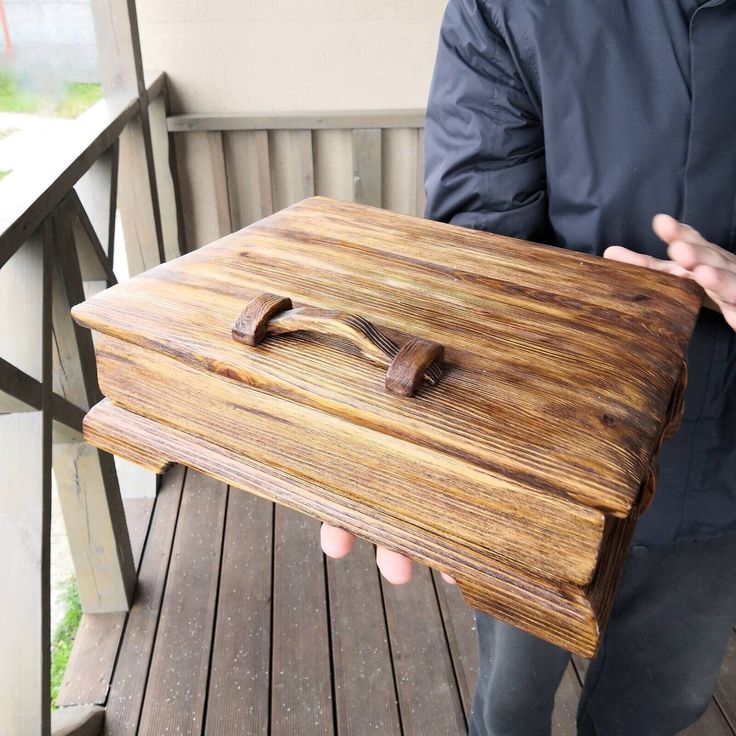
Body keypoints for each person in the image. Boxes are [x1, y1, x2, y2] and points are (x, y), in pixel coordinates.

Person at [322, 1, 736, 734]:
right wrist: (416, 444)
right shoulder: (512, 7)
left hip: (724, 480)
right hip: (546, 463)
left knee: (663, 699)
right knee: (511, 697)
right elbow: (478, 254)